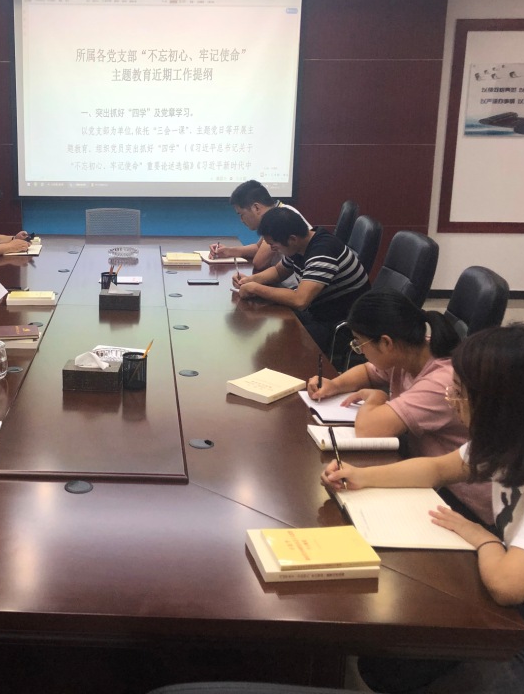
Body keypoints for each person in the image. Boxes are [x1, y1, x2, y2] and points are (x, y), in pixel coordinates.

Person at [321, 325, 524, 694]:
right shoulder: (513, 434)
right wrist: (360, 476)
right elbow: (437, 469)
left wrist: (483, 539)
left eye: (460, 393)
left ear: (500, 402)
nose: (451, 400)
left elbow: (508, 587)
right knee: (389, 665)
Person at [307, 290, 491, 524]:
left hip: (461, 498)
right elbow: (368, 371)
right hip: (428, 471)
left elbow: (369, 430)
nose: (360, 351)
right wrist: (335, 384)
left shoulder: (442, 381)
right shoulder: (409, 351)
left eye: (360, 343)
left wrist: (376, 399)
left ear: (386, 343)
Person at [234, 206, 369, 353]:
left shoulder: (322, 252)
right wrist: (250, 280)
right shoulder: (300, 244)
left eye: (274, 245)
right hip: (318, 312)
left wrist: (255, 288)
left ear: (292, 239)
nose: (272, 249)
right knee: (268, 321)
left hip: (342, 326)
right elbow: (279, 271)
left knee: (280, 343)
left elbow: (300, 300)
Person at [209, 179, 311, 272]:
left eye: (241, 214)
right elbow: (258, 247)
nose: (241, 220)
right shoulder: (278, 211)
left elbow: (259, 262)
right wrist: (228, 251)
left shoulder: (281, 218)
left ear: (256, 208)